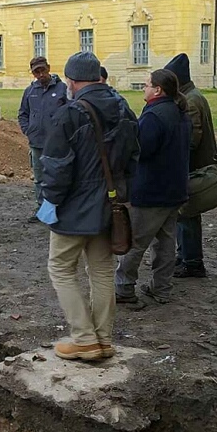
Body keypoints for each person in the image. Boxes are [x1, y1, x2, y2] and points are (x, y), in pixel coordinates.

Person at [39, 51, 139, 361]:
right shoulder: (124, 109)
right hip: (111, 205)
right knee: (102, 271)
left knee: (60, 267)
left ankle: (83, 337)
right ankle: (103, 340)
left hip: (74, 208)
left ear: (71, 81)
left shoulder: (70, 114)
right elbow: (133, 158)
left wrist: (50, 201)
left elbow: (57, 167)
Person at [114, 69, 191, 304]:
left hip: (152, 191)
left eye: (146, 85)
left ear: (158, 89)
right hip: (175, 189)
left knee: (135, 241)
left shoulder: (154, 116)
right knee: (166, 242)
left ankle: (124, 288)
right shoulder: (180, 112)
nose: (144, 89)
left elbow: (141, 151)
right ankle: (162, 288)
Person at [164, 53, 217, 279]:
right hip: (192, 167)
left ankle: (193, 262)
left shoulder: (191, 101)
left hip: (193, 168)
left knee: (188, 216)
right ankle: (184, 256)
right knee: (183, 215)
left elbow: (191, 140)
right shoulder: (192, 96)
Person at [17, 56, 67, 222]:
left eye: (42, 70)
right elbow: (22, 114)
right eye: (36, 72)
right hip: (37, 143)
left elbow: (71, 113)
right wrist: (28, 130)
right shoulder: (30, 92)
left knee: (57, 177)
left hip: (57, 144)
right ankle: (42, 210)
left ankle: (60, 209)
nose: (40, 74)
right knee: (39, 179)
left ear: (48, 68)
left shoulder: (62, 89)